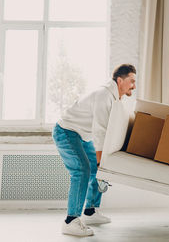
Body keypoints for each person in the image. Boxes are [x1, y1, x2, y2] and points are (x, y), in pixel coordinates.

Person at [52, 64, 136, 236]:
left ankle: (90, 211)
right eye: (131, 81)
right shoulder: (104, 95)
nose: (134, 85)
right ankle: (70, 221)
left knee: (99, 169)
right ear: (120, 80)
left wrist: (103, 163)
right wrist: (100, 161)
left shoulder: (115, 98)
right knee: (82, 170)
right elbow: (99, 131)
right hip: (67, 131)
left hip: (82, 135)